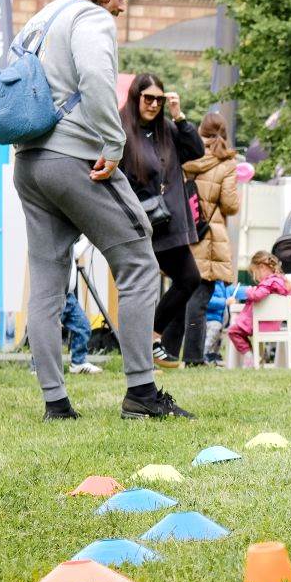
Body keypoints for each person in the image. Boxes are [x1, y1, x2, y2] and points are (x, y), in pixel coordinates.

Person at [11, 0, 192, 420]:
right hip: (74, 158)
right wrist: (114, 145)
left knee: (47, 284)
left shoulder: (38, 21)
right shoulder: (90, 17)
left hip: (28, 163)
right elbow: (95, 78)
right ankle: (142, 395)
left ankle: (56, 403)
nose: (122, 6)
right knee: (139, 263)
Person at [118, 72, 205, 368]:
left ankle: (152, 338)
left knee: (189, 278)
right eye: (148, 98)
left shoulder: (167, 128)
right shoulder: (121, 130)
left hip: (169, 221)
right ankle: (142, 348)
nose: (154, 105)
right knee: (141, 287)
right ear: (136, 97)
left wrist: (179, 116)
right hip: (138, 224)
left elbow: (196, 150)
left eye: (159, 99)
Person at [162, 112, 241, 366]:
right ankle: (194, 357)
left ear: (200, 132)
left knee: (180, 291)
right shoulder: (226, 164)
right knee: (200, 298)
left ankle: (167, 351)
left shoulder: (187, 156)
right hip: (209, 235)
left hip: (184, 231)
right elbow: (230, 204)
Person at [226, 251, 291, 365]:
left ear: (261, 267)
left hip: (260, 324)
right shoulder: (283, 282)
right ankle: (256, 357)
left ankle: (250, 357)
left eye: (254, 273)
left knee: (233, 331)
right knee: (240, 331)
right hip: (274, 324)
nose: (255, 278)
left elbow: (257, 295)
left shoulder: (269, 283)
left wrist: (249, 291)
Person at [204, 279, 241, 363]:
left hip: (220, 320)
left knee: (218, 339)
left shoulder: (223, 285)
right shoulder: (209, 284)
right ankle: (204, 353)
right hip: (210, 319)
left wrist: (250, 290)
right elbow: (206, 300)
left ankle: (213, 355)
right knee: (211, 337)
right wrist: (225, 302)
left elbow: (236, 290)